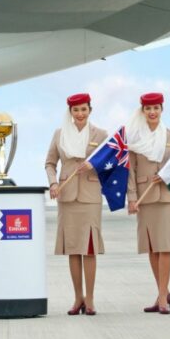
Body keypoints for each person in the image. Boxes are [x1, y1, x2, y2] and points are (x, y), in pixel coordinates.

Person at [45, 92, 107, 316]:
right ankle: (77, 297)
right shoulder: (60, 134)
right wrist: (53, 183)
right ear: (70, 112)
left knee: (89, 249)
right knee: (73, 249)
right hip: (67, 196)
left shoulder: (101, 134)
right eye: (76, 110)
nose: (80, 114)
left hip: (90, 197)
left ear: (90, 110)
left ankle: (90, 299)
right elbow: (50, 163)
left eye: (84, 109)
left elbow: (110, 164)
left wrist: (94, 166)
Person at [126, 92, 170, 315]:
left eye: (156, 108)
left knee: (165, 246)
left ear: (162, 110)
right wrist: (131, 198)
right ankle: (164, 293)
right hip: (145, 197)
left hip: (167, 197)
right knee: (152, 247)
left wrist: (168, 177)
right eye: (148, 109)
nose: (152, 112)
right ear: (142, 111)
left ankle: (161, 298)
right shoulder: (135, 137)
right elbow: (130, 170)